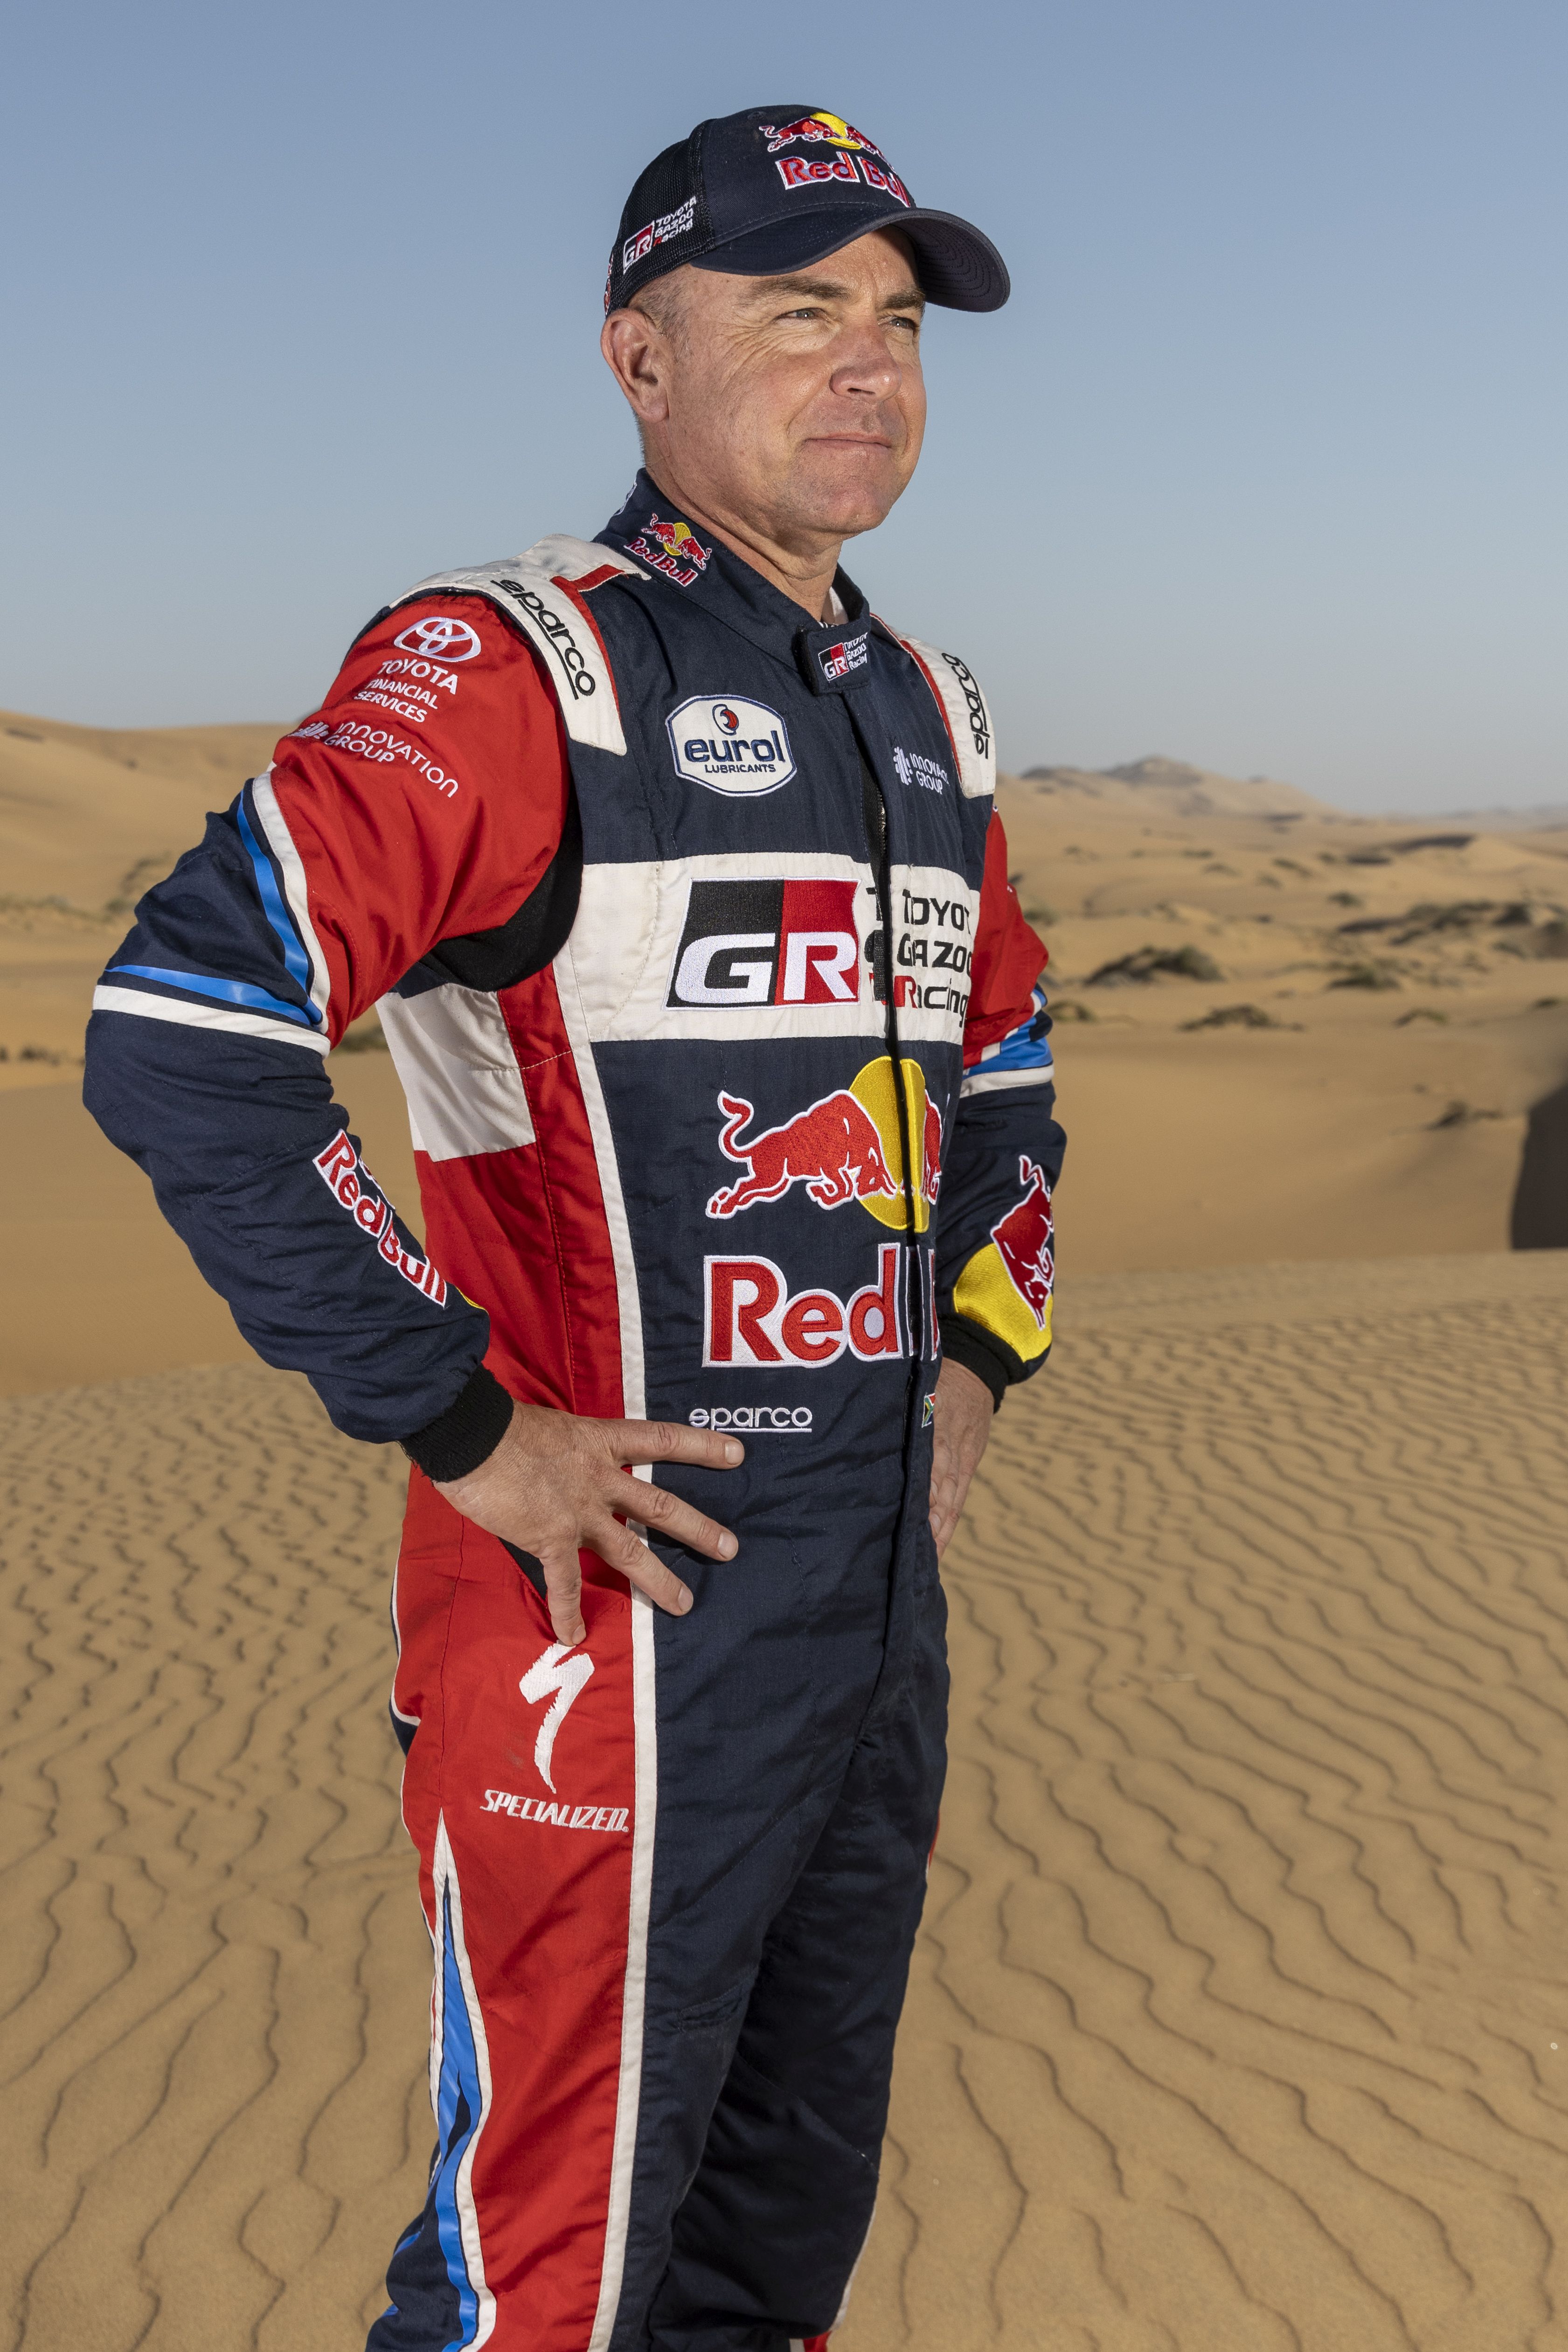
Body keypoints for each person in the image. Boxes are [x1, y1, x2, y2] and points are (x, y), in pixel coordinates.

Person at [83, 101, 1064, 2352]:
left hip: (868, 1632)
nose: (868, 361)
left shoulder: (929, 710)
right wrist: (459, 1421)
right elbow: (185, 1026)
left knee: (770, 2253)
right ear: (639, 357)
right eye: (796, 310)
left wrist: (980, 1348)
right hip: (605, 1628)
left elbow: (1004, 1059)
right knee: (548, 2273)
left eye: (900, 320)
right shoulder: (519, 667)